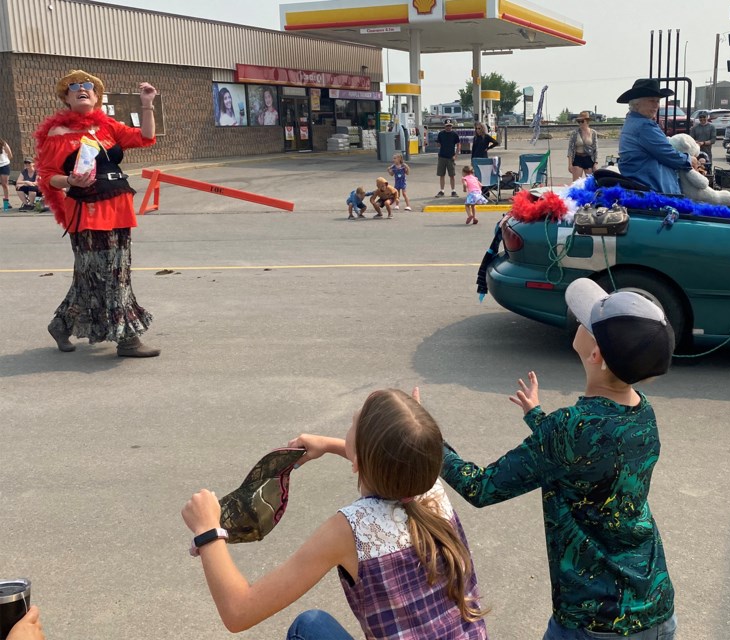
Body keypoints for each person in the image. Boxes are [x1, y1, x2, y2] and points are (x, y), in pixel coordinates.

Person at [441, 277, 678, 639]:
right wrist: (539, 418)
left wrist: (426, 440)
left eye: (587, 321)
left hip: (594, 621)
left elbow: (481, 487)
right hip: (655, 608)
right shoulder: (642, 413)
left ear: (596, 354)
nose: (579, 321)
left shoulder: (568, 429)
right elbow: (589, 456)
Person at [181, 388, 488, 640]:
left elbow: (239, 612)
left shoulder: (350, 530)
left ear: (359, 461)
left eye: (354, 422)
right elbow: (395, 462)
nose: (350, 423)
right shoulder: (428, 485)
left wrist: (208, 531)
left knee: (309, 626)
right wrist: (329, 445)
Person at [35, 69, 160, 357]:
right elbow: (47, 175)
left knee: (107, 274)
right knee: (105, 276)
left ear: (96, 96)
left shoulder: (107, 127)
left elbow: (145, 136)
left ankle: (61, 324)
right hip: (87, 211)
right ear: (66, 97)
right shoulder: (58, 134)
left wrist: (146, 104)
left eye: (88, 86)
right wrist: (69, 181)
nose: (82, 89)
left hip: (118, 206)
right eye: (74, 86)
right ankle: (128, 339)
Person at [616, 78, 698, 194]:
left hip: (643, 187)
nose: (656, 105)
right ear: (636, 102)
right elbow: (667, 153)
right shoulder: (644, 125)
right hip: (653, 190)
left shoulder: (632, 121)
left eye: (657, 101)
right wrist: (689, 160)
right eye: (651, 101)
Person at [566, 110, 598, 180]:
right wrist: (570, 164)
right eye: (579, 121)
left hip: (589, 158)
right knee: (576, 183)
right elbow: (570, 149)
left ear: (587, 121)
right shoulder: (574, 133)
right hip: (578, 158)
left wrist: (595, 163)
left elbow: (595, 149)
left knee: (590, 182)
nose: (580, 123)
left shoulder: (593, 133)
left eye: (582, 121)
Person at [436, 119, 461, 198]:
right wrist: (438, 144)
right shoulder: (441, 134)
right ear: (444, 126)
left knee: (452, 175)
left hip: (451, 157)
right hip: (442, 156)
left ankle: (453, 190)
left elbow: (458, 144)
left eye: (450, 126)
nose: (448, 127)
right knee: (441, 174)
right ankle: (442, 190)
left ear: (452, 126)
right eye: (447, 126)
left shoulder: (454, 134)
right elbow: (438, 143)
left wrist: (456, 155)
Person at [0, 136, 11, 210]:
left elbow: (10, 154)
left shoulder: (3, 143)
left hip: (4, 165)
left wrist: (6, 161)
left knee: (4, 184)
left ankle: (7, 202)